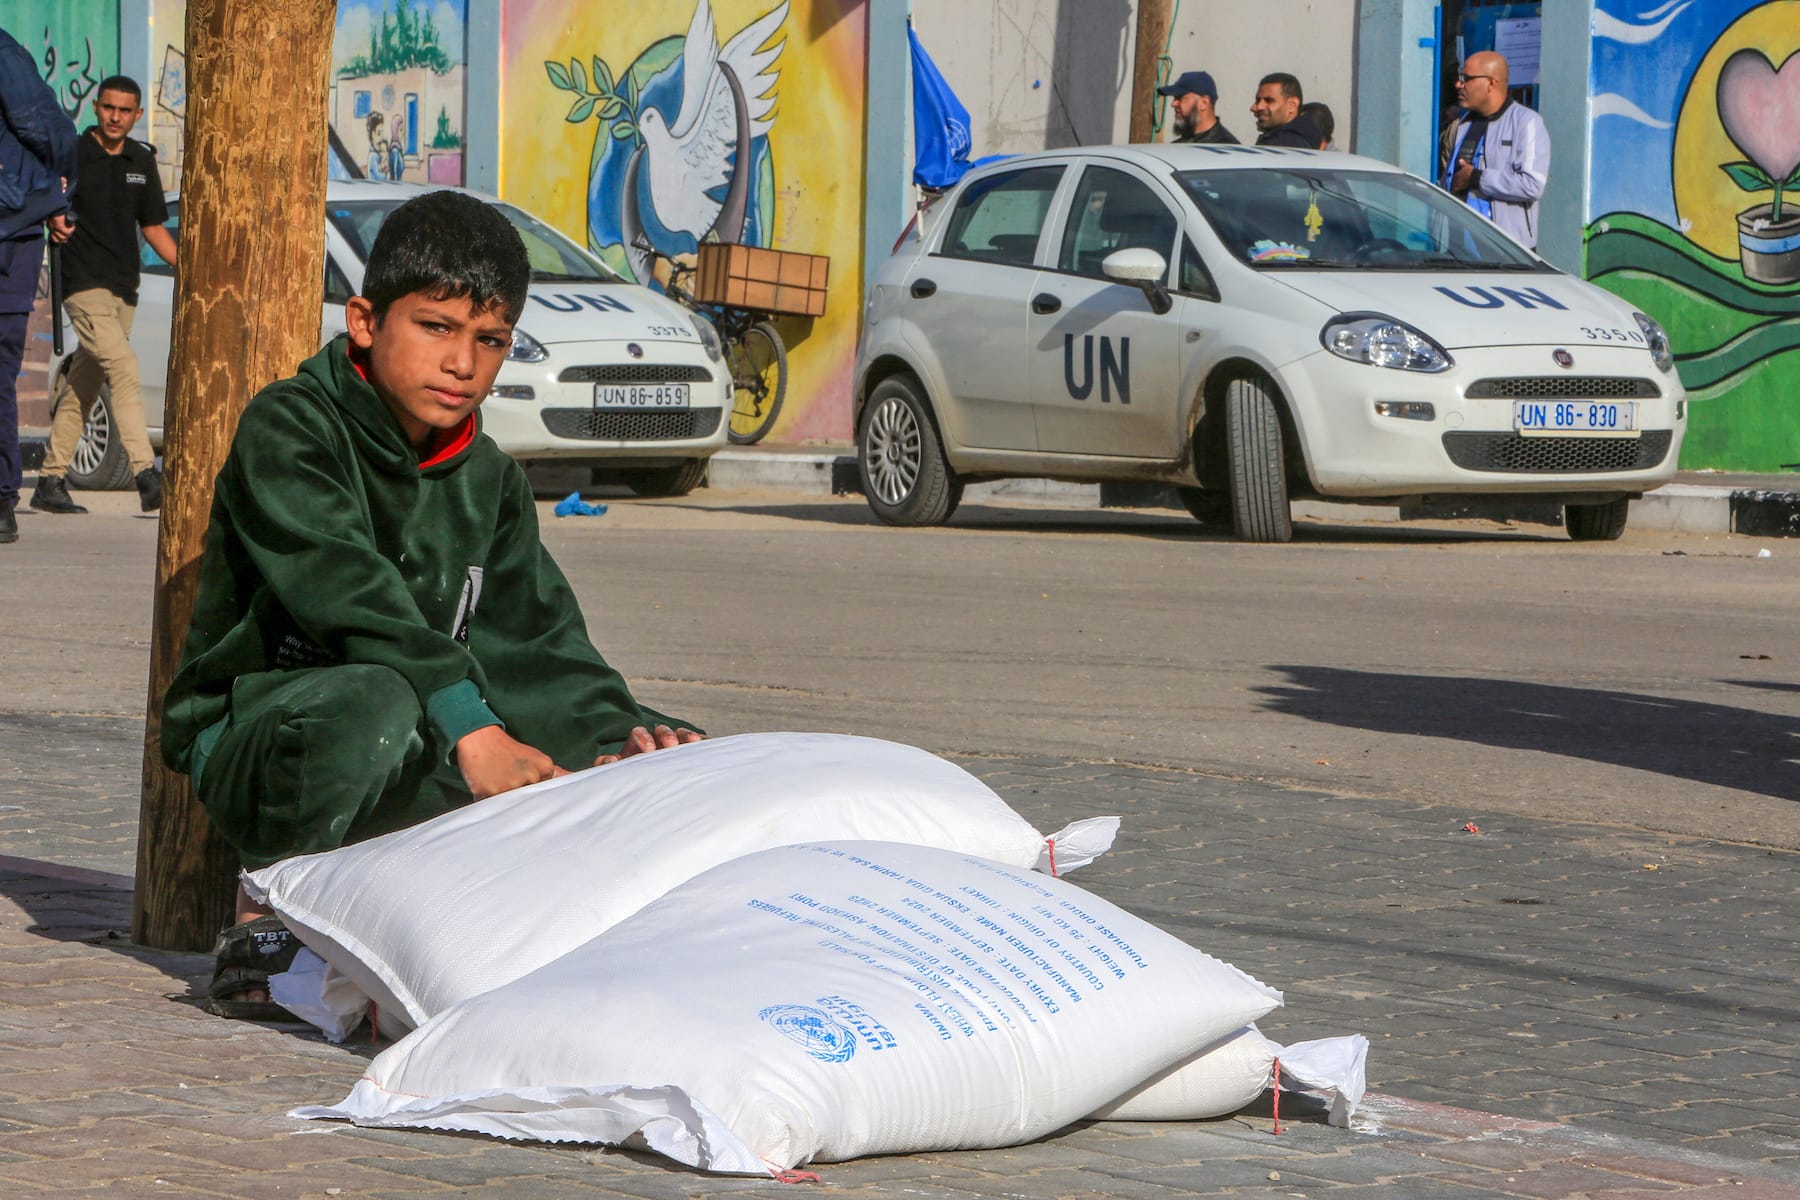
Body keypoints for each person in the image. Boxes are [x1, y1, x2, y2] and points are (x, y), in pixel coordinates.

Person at [159, 189, 705, 1020]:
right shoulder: (292, 427)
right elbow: (351, 595)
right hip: (272, 734)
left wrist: (618, 744)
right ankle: (266, 913)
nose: (464, 364)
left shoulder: (488, 480)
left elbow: (538, 645)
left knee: (658, 751)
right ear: (367, 321)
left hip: (426, 729)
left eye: (490, 341)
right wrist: (471, 724)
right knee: (375, 701)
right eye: (437, 328)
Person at [31, 76, 174, 517]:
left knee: (83, 385)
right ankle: (146, 475)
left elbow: (152, 228)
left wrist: (189, 270)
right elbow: (45, 199)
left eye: (124, 110)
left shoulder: (141, 160)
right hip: (82, 284)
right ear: (96, 108)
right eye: (108, 108)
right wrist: (54, 217)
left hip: (123, 289)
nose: (115, 117)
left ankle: (50, 480)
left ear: (137, 115)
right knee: (125, 369)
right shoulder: (73, 153)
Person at [0, 29, 77, 545]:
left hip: (10, 227)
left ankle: (3, 498)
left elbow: (45, 125)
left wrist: (57, 196)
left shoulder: (2, 53)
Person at [1440, 51, 1550, 249]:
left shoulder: (1526, 122)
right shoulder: (1464, 125)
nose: (1459, 85)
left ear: (1491, 83)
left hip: (1507, 256)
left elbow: (1532, 184)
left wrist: (1476, 178)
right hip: (1458, 251)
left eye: (1466, 79)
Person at [1156, 70, 1238, 145]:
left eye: (1180, 97)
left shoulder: (1225, 150)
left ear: (1204, 103)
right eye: (1174, 98)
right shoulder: (1177, 147)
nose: (1173, 104)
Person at [1249, 73, 1322, 149]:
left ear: (1292, 105)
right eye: (1258, 101)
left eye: (1269, 101)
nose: (1257, 107)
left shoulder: (1287, 146)